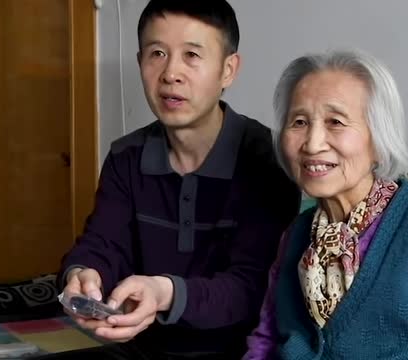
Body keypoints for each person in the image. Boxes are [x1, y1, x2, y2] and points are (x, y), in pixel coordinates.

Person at [52, 0, 301, 359]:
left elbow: (251, 288)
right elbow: (103, 244)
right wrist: (82, 275)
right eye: (157, 53)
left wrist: (165, 292)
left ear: (228, 70)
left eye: (192, 55)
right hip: (139, 348)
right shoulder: (126, 157)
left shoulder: (267, 161)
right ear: (140, 63)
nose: (171, 73)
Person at [244, 49, 408, 359]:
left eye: (335, 122)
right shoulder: (295, 237)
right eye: (299, 122)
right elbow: (265, 343)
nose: (312, 143)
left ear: (379, 141)